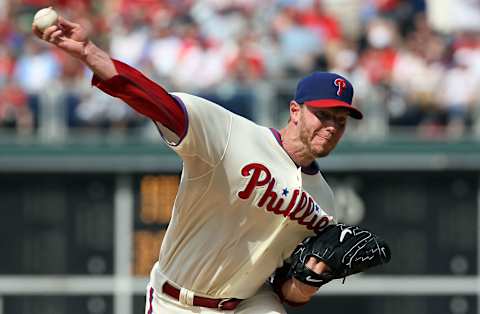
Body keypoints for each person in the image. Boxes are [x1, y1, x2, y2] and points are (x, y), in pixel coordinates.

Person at [33, 15, 363, 314]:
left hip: (247, 304)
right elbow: (157, 103)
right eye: (322, 114)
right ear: (294, 111)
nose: (331, 125)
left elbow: (287, 291)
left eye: (340, 119)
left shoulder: (324, 203)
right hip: (174, 301)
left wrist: (309, 282)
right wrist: (90, 52)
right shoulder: (232, 134)